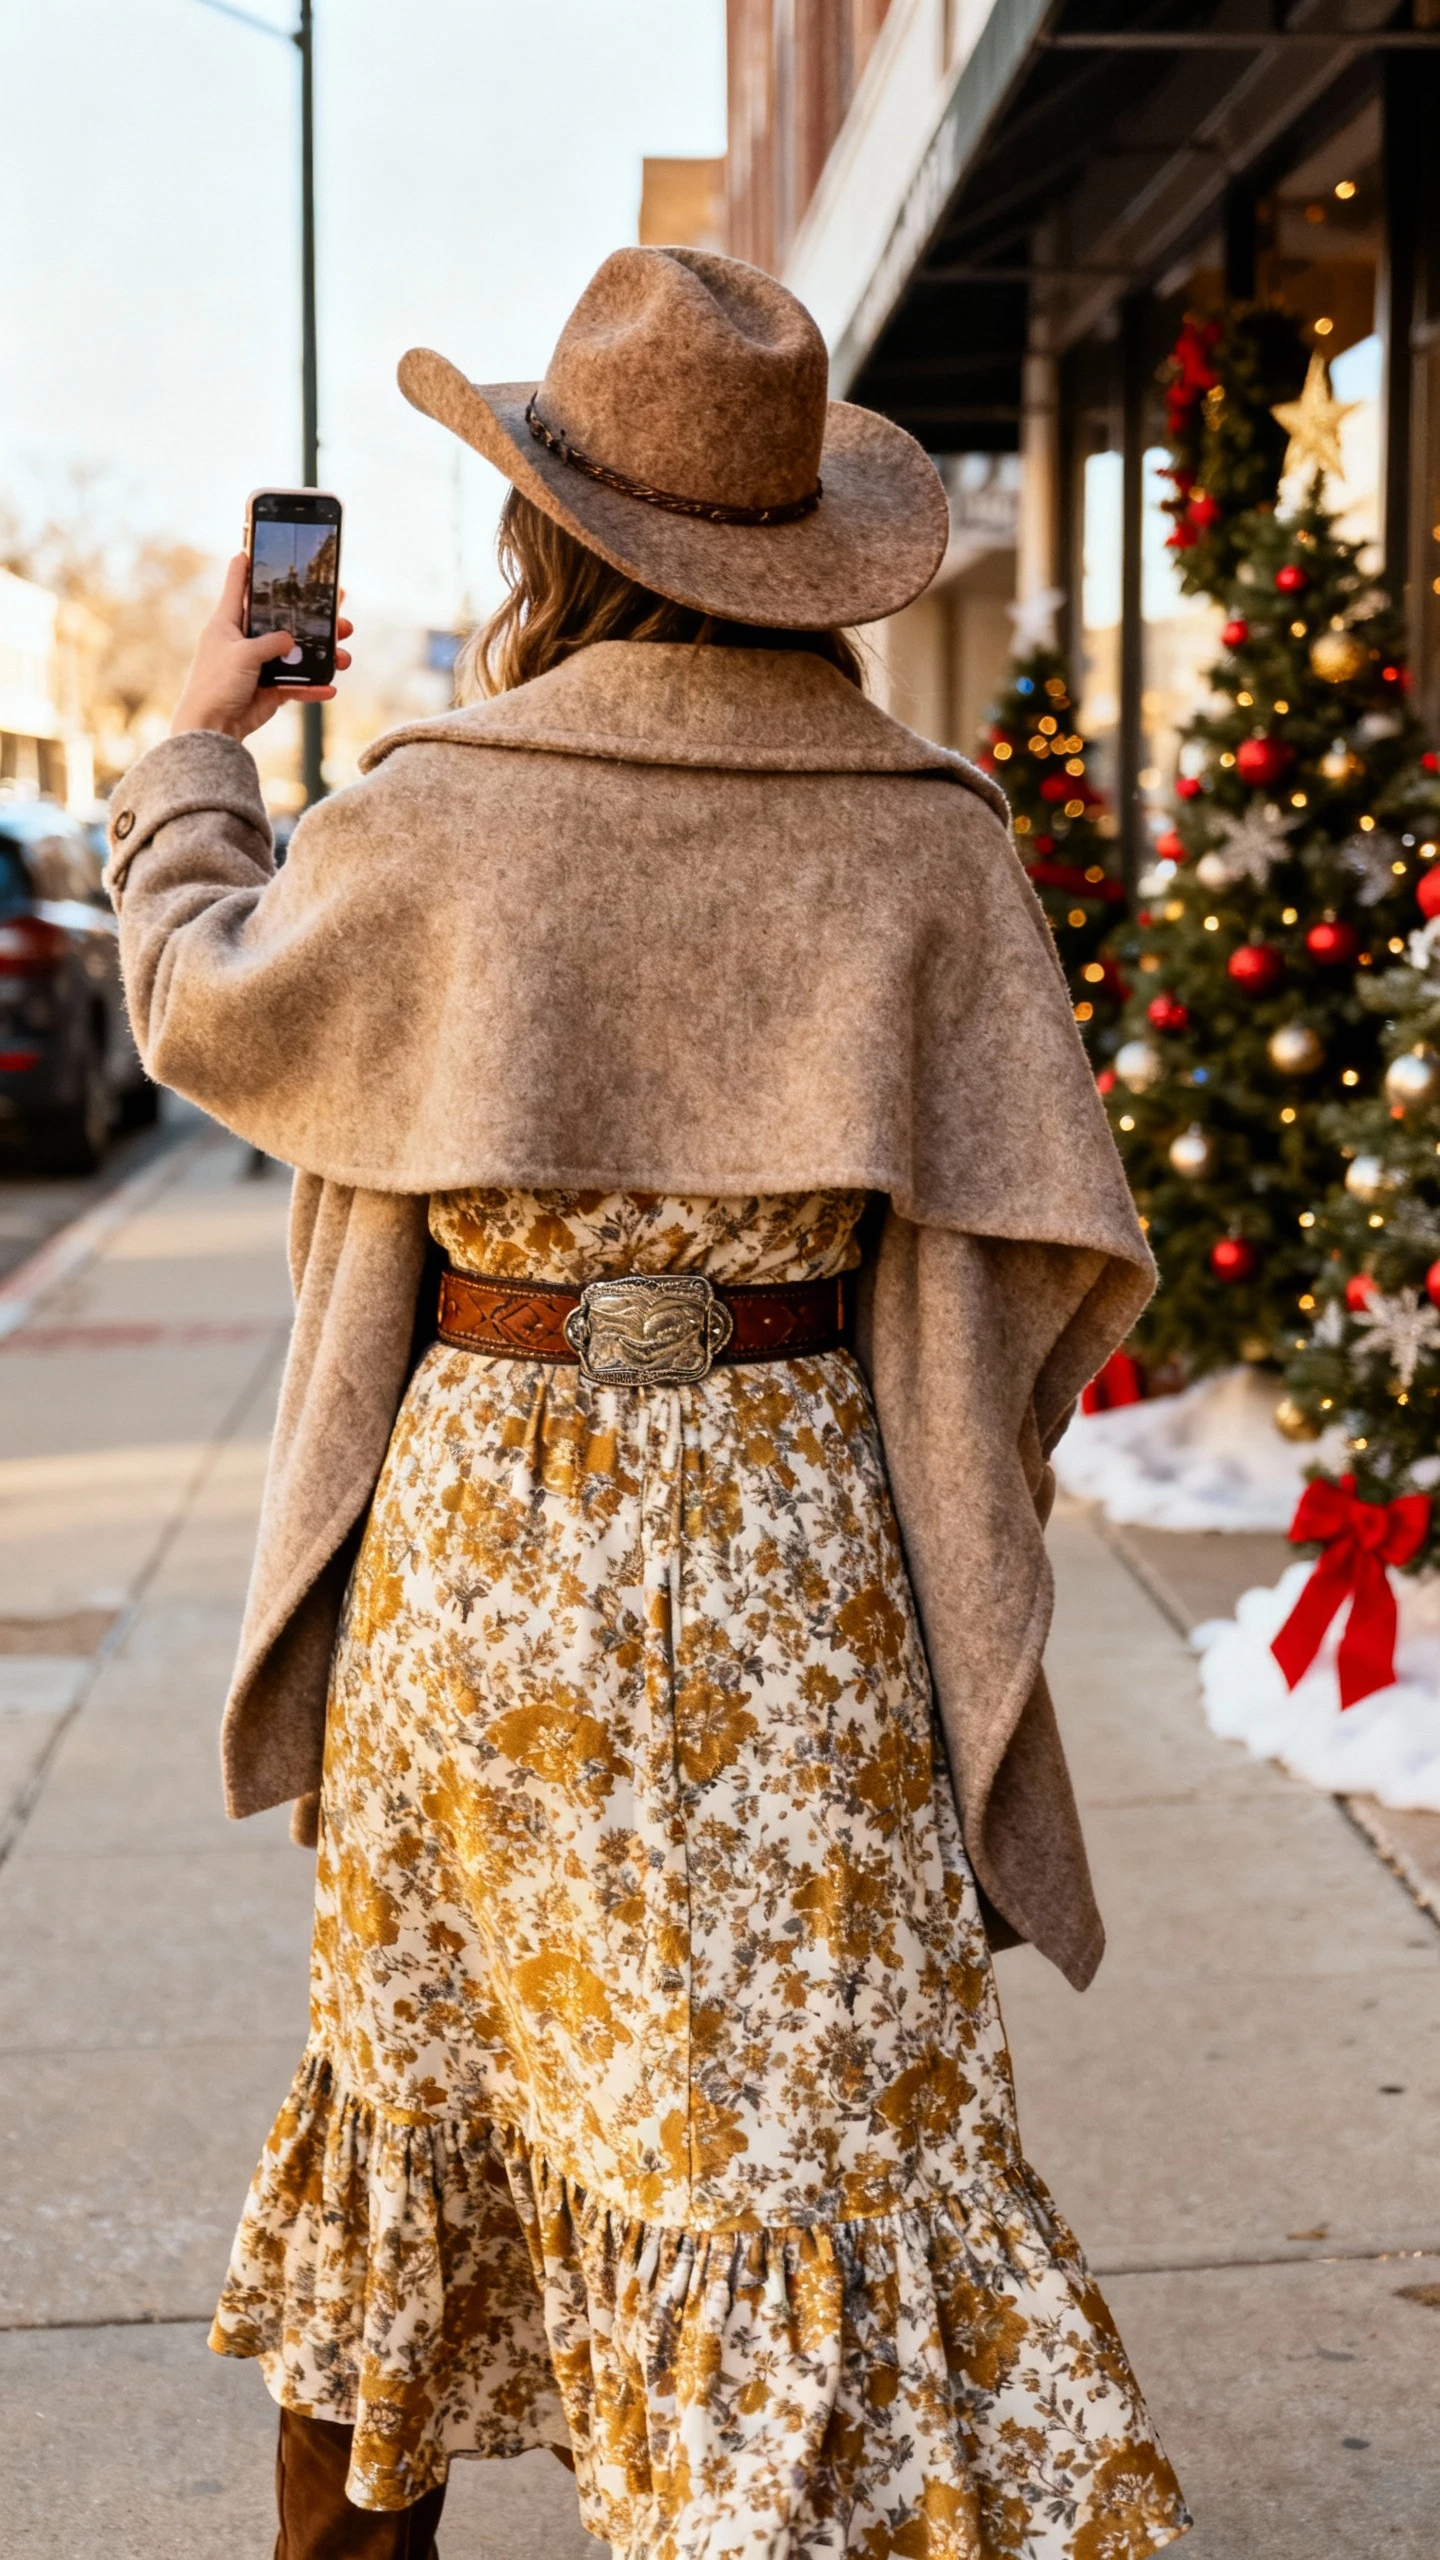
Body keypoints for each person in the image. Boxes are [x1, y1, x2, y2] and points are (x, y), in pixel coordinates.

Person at [108, 247, 1189, 2560]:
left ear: (549, 534)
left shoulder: (438, 805)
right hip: (804, 1532)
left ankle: (360, 2524)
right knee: (803, 2128)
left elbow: (199, 1002)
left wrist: (203, 730)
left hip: (486, 1532)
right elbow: (1033, 1268)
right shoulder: (932, 831)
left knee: (432, 2063)